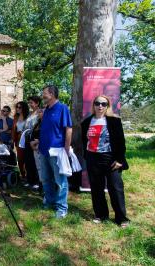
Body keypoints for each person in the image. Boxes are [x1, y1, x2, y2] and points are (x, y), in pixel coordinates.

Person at [81, 95, 129, 227]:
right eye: (97, 103)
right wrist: (87, 156)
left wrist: (120, 160)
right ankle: (101, 215)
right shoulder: (86, 122)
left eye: (103, 103)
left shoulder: (114, 121)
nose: (100, 106)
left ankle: (121, 218)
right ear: (94, 105)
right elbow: (84, 141)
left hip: (110, 159)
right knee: (96, 188)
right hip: (93, 158)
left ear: (107, 106)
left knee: (116, 188)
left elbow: (121, 142)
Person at [39, 85, 72, 218]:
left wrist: (67, 148)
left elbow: (69, 129)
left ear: (51, 94)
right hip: (43, 150)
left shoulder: (62, 108)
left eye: (44, 93)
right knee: (46, 179)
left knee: (60, 181)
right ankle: (50, 202)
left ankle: (62, 208)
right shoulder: (46, 110)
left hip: (57, 151)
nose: (43, 96)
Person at [23, 96, 41, 190]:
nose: (30, 104)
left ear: (37, 103)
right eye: (29, 102)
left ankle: (37, 182)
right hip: (27, 138)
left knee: (36, 161)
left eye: (31, 102)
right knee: (28, 160)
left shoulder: (40, 113)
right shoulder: (30, 114)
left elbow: (39, 126)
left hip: (35, 138)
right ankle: (30, 180)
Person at [12, 101, 29, 180]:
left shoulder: (28, 117)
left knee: (28, 158)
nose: (18, 109)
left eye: (20, 107)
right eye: (17, 107)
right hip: (18, 139)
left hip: (27, 139)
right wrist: (13, 139)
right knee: (20, 158)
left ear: (24, 108)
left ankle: (29, 176)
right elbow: (13, 129)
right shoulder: (16, 117)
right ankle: (23, 175)